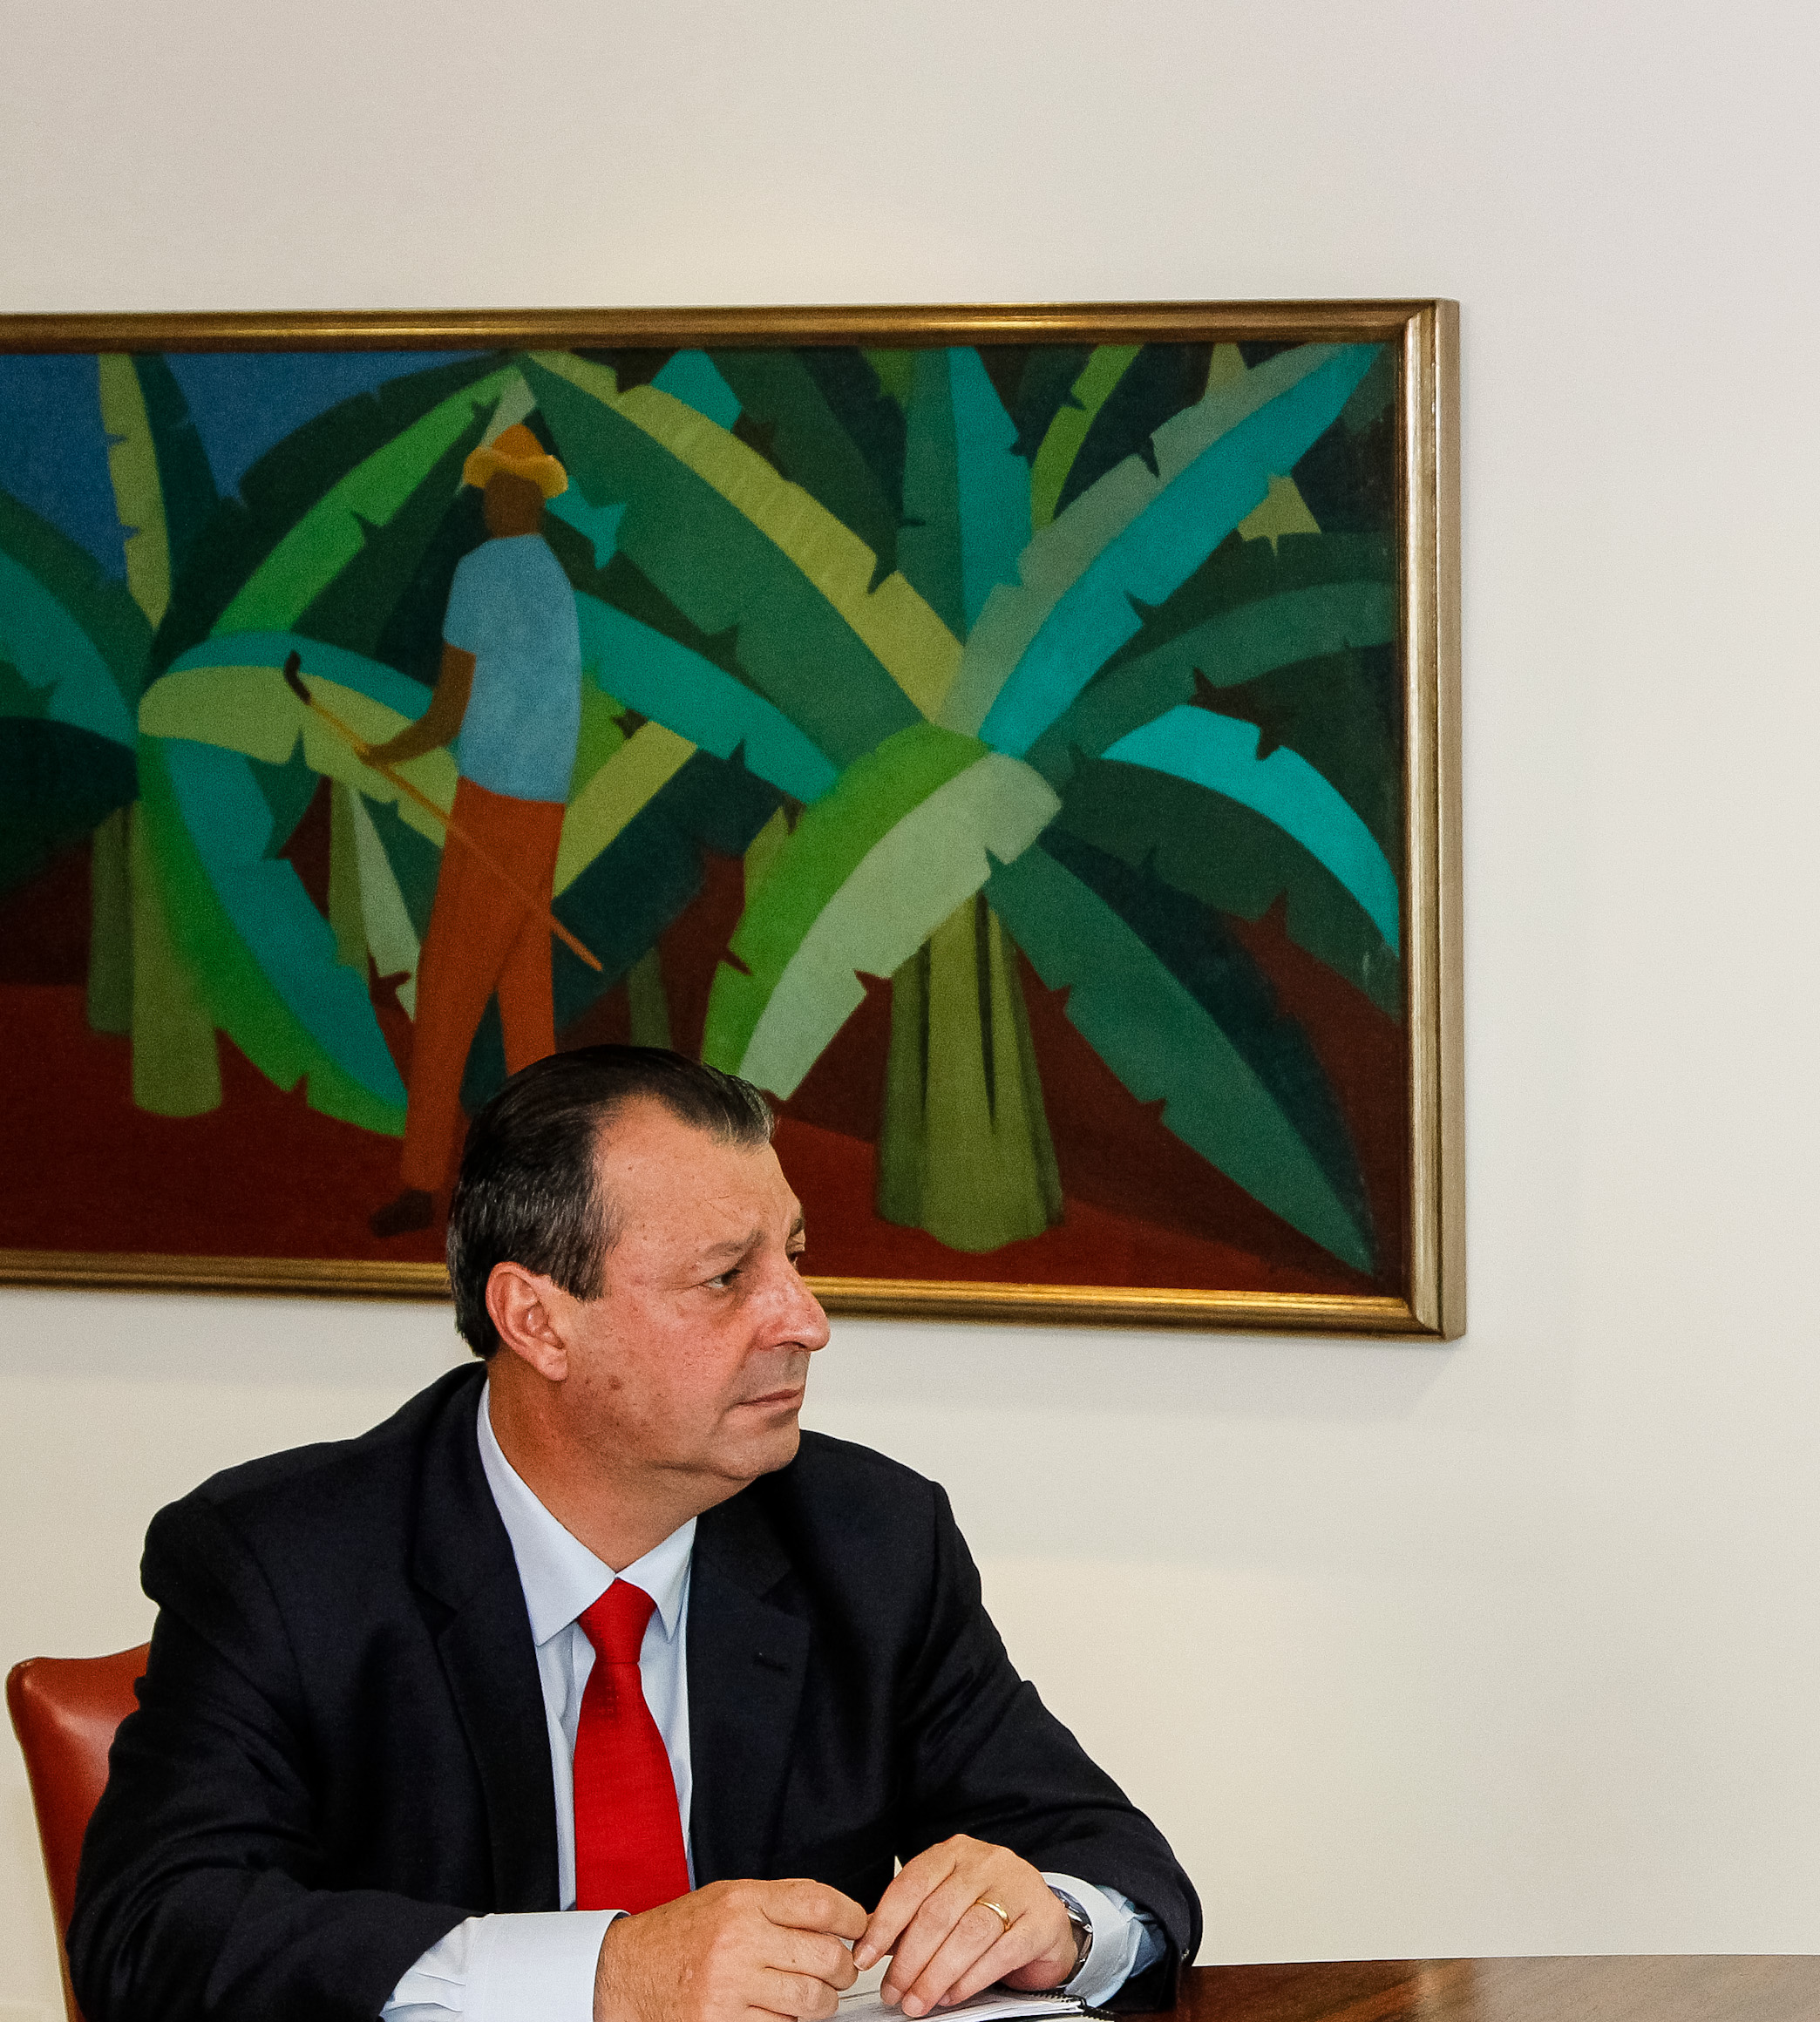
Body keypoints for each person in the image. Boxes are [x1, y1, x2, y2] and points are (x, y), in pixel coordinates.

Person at [73, 1046, 1198, 2022]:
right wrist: (596, 1975)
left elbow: (1118, 1863)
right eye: (726, 1278)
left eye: (794, 1258)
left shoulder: (870, 1540)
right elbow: (156, 1935)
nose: (805, 1321)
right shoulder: (283, 1561)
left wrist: (1052, 1915)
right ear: (537, 1320)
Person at [366, 422, 585, 1242]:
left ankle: (423, 1179)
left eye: (501, 485)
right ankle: (551, 1197)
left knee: (450, 987)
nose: (490, 499)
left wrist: (389, 748)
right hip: (544, 809)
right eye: (491, 484)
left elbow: (448, 710)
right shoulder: (557, 582)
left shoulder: (480, 571)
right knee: (524, 998)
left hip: (494, 800)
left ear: (524, 496)